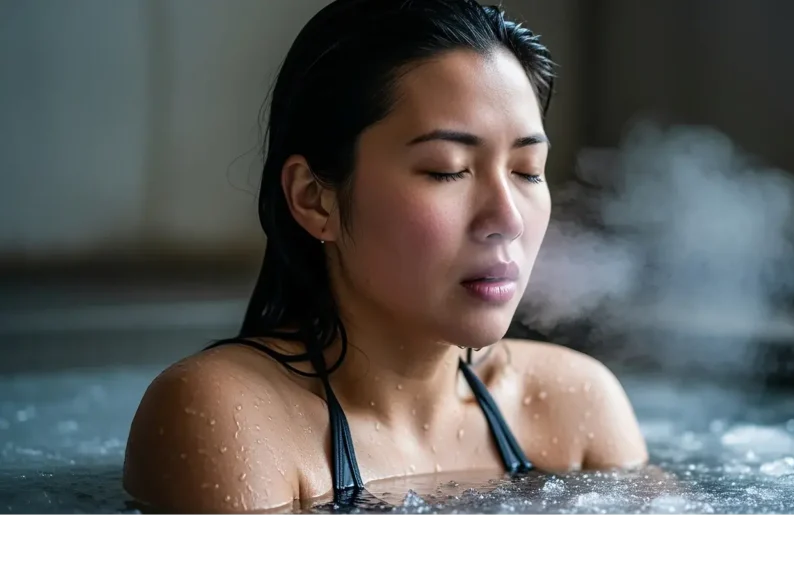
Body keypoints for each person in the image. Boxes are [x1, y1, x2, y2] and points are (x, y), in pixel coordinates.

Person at [122, 0, 647, 516]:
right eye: (447, 169)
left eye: (528, 170)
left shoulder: (575, 407)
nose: (507, 218)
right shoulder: (228, 419)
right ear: (314, 198)